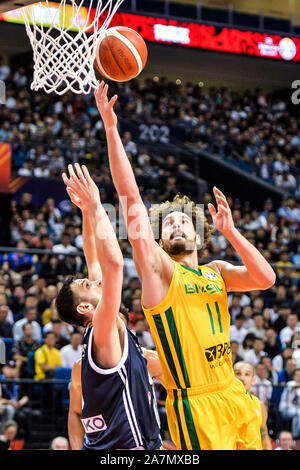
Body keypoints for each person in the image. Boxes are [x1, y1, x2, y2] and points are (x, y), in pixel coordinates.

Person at [95, 81, 276, 450]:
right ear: (159, 242)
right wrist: (112, 129)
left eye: (184, 221)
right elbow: (130, 198)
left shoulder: (218, 271)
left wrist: (233, 232)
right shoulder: (160, 272)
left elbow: (266, 278)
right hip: (195, 404)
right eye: (168, 223)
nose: (176, 223)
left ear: (199, 234)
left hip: (235, 395)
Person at [56, 164, 163, 450]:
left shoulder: (99, 327)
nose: (95, 281)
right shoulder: (102, 331)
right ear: (84, 309)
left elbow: (93, 256)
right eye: (88, 286)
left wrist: (86, 213)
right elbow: (114, 264)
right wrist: (95, 206)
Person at [233, 361, 272, 450]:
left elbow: (264, 435)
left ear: (253, 380)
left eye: (247, 374)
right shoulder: (225, 403)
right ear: (231, 377)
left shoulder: (260, 405)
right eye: (238, 374)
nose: (242, 378)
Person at [279, 368, 300, 439]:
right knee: (298, 413)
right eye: (297, 375)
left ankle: (296, 433)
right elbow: (294, 386)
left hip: (296, 410)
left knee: (298, 414)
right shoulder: (290, 383)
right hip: (286, 409)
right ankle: (295, 435)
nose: (299, 377)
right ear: (293, 376)